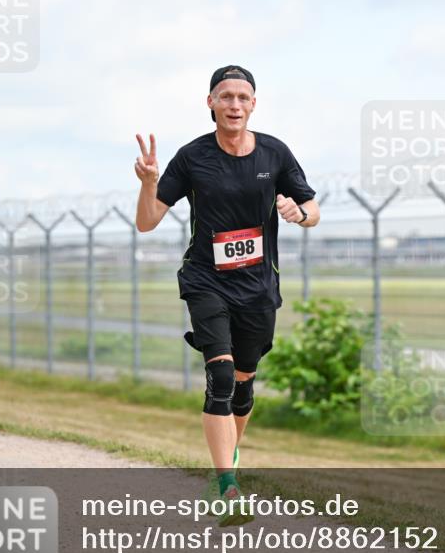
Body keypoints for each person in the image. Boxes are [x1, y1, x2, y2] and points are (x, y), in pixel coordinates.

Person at [133, 65, 319, 521]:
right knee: (219, 376)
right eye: (225, 96)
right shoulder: (192, 157)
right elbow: (147, 221)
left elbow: (312, 209)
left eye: (242, 97)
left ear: (253, 104)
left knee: (242, 385)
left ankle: (226, 464)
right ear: (211, 103)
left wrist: (299, 213)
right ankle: (227, 487)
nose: (234, 104)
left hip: (258, 287)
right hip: (206, 280)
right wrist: (149, 184)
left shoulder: (275, 153)